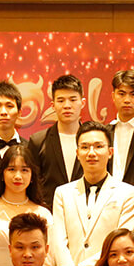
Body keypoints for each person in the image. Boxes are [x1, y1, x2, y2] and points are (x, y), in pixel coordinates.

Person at [51, 121, 134, 266]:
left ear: (110, 152)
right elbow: (59, 241)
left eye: (98, 146)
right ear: (77, 153)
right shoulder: (62, 192)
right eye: (85, 147)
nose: (91, 153)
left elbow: (122, 241)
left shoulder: (128, 193)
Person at [30, 75, 86, 206]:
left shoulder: (94, 141)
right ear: (53, 105)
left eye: (73, 100)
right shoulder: (38, 141)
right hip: (49, 212)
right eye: (61, 100)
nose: (67, 105)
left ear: (82, 103)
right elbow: (32, 183)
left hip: (88, 211)